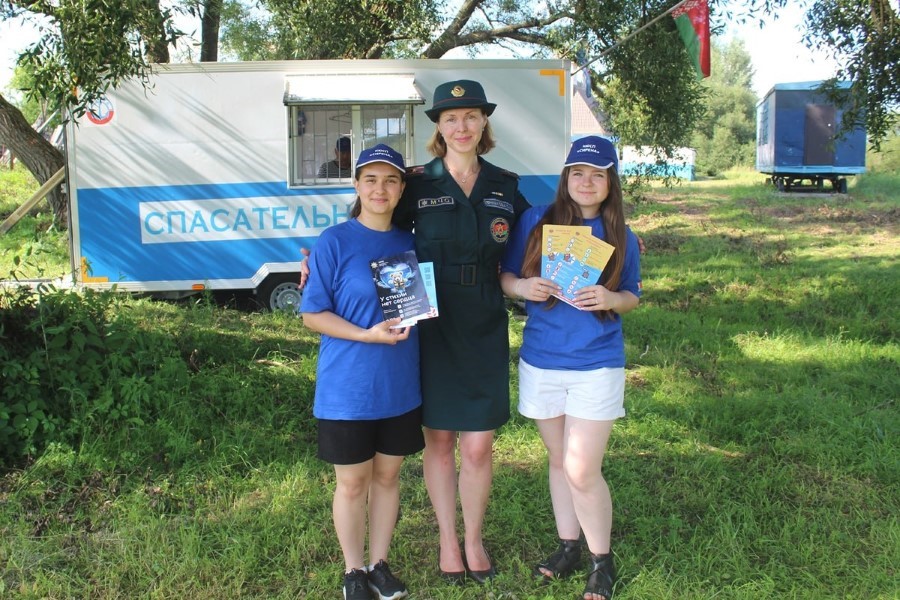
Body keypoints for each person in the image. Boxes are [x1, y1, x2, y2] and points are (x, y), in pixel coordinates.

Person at [390, 80, 530, 585]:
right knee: (440, 441)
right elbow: (370, 227)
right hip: (431, 320)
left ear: (484, 122)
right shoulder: (417, 184)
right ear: (438, 126)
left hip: (484, 319)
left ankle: (474, 539)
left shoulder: (504, 185)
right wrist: (318, 260)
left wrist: (613, 233)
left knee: (477, 447)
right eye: (451, 118)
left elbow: (539, 237)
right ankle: (448, 540)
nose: (462, 126)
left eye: (471, 116)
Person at [498, 136, 642, 600]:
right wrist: (523, 288)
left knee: (581, 468)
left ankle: (602, 560)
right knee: (559, 460)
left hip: (596, 363)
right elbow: (505, 276)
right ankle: (568, 547)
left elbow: (633, 294)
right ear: (565, 177)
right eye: (578, 172)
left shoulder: (621, 234)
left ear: (610, 182)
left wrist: (611, 298)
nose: (586, 182)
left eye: (598, 174)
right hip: (542, 359)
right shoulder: (536, 221)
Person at [300, 144, 424, 600]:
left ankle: (379, 564)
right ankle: (353, 571)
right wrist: (366, 335)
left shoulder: (412, 244)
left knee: (388, 478)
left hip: (399, 386)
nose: (380, 189)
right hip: (348, 389)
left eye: (390, 180)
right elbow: (312, 314)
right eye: (370, 180)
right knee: (353, 484)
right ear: (356, 185)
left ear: (401, 189)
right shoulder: (334, 241)